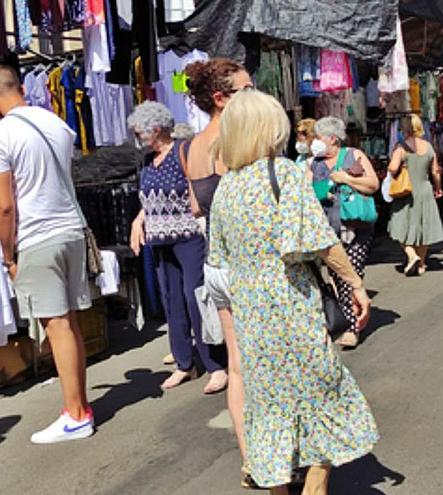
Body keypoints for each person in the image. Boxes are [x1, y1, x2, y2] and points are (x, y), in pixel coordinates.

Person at [210, 88, 378, 495]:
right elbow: (321, 241)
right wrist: (355, 284)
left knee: (269, 408)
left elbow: (220, 259)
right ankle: (315, 484)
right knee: (320, 390)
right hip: (290, 305)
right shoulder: (283, 173)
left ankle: (278, 486)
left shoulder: (226, 189)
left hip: (252, 313)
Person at [0, 65, 94, 445]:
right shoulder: (55, 123)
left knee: (56, 325)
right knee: (71, 323)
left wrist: (7, 254)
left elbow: (3, 206)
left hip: (37, 236)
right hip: (70, 230)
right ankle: (80, 407)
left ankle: (75, 415)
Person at [180, 57, 256, 484]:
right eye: (244, 90)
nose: (253, 95)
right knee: (269, 362)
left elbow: (196, 207)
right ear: (220, 98)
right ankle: (280, 456)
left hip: (216, 265)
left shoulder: (192, 147)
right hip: (247, 265)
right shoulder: (235, 142)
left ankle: (251, 459)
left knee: (239, 367)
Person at [128, 101, 228, 391]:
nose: (138, 139)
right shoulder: (148, 161)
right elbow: (148, 199)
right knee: (172, 301)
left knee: (196, 298)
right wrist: (139, 220)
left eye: (140, 133)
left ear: (156, 129)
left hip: (188, 237)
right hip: (160, 240)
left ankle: (215, 364)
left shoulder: (183, 150)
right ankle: (185, 363)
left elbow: (200, 186)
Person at [310, 117, 379, 348]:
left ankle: (352, 327)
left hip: (356, 227)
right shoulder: (314, 163)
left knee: (351, 273)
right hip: (329, 229)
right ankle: (353, 313)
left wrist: (347, 179)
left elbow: (373, 185)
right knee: (339, 277)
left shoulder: (354, 155)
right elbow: (307, 191)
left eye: (318, 137)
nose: (315, 142)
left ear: (332, 139)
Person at [387, 114, 443, 276]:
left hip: (406, 191)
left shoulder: (401, 147)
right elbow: (435, 171)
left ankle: (411, 255)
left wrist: (398, 163)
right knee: (423, 226)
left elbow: (392, 168)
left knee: (399, 225)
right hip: (425, 189)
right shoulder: (428, 146)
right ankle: (422, 263)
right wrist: (438, 187)